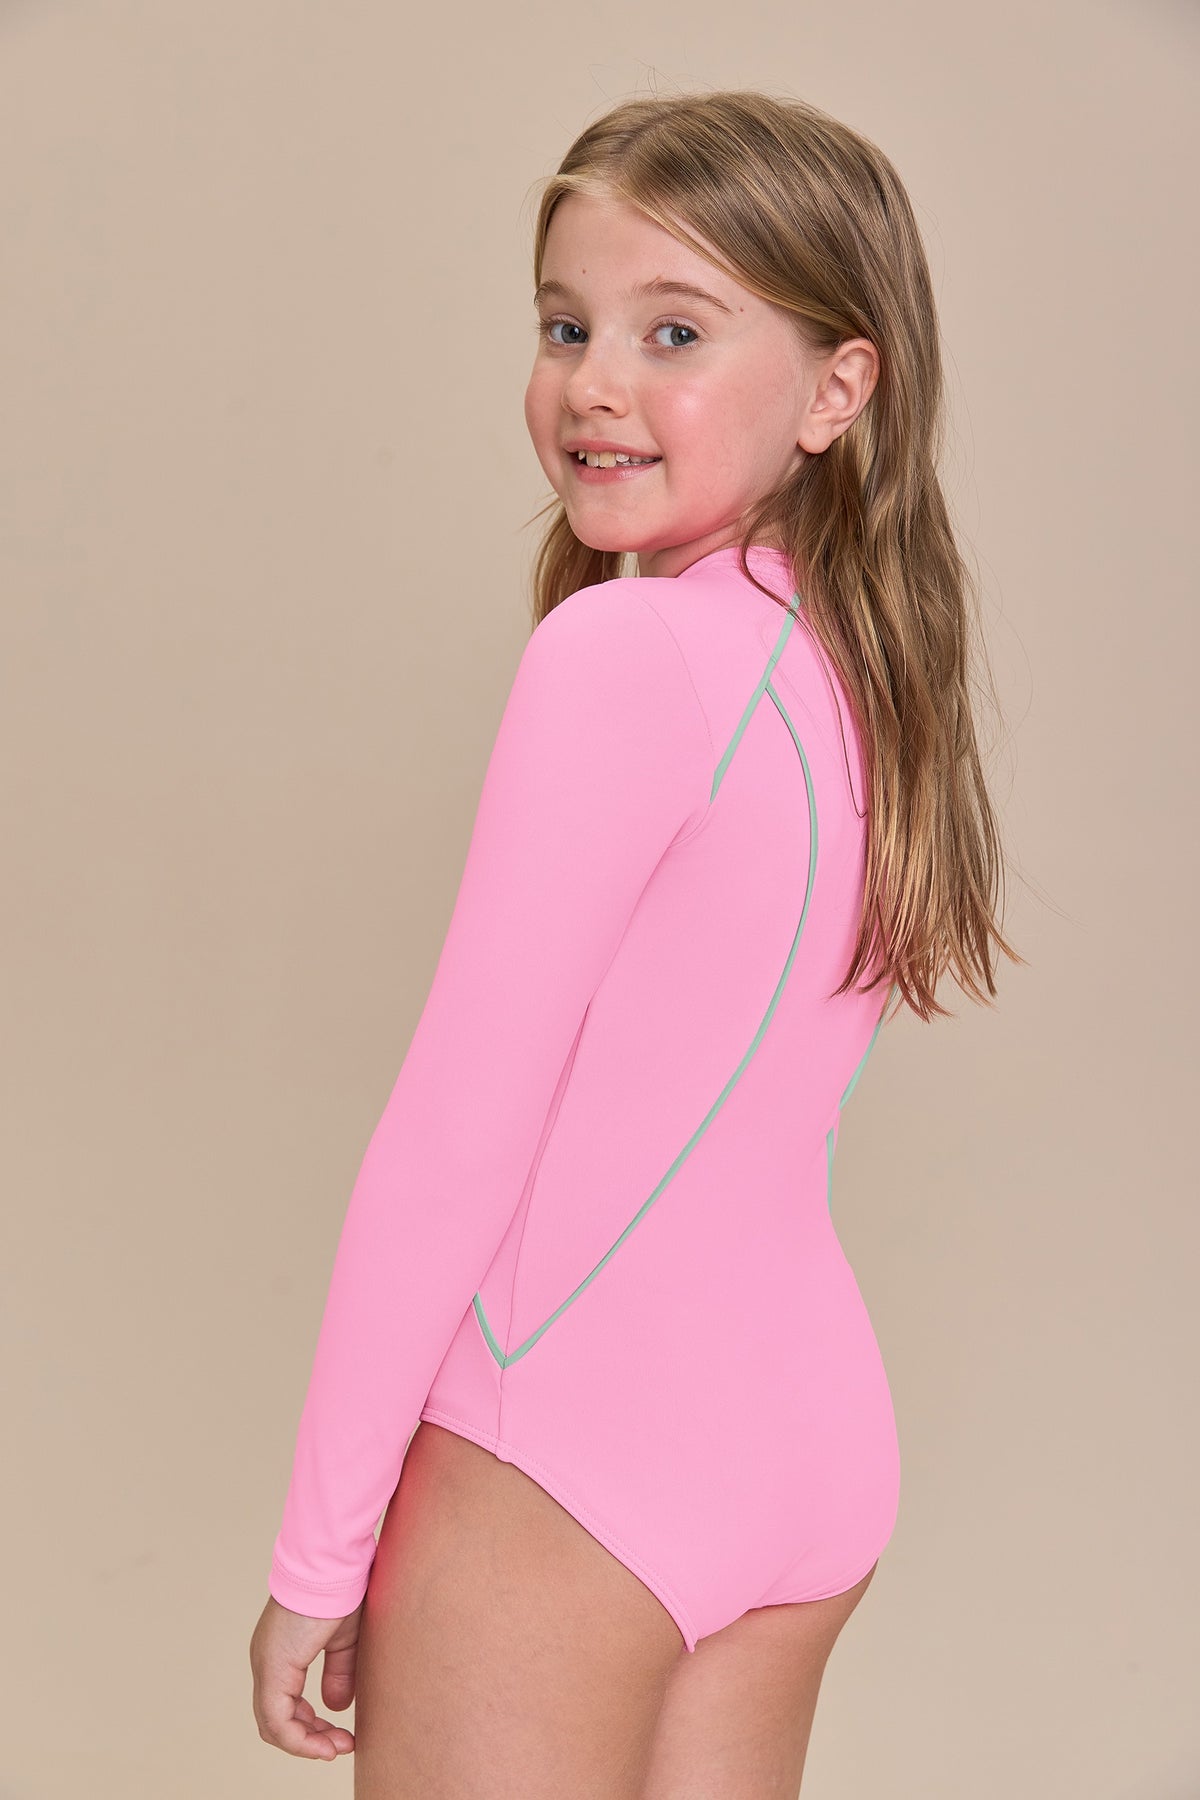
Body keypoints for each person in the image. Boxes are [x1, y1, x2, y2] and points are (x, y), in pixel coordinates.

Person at [249, 87, 1021, 1795]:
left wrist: (321, 1549)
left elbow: (457, 1135)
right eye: (564, 326)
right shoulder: (862, 664)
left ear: (838, 387)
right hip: (808, 1440)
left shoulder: (623, 657)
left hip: (570, 1435)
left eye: (673, 331)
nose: (595, 381)